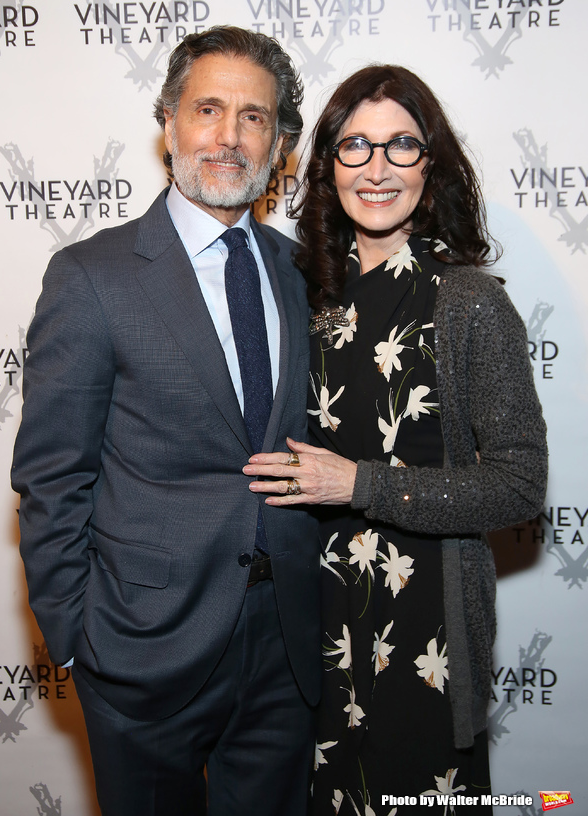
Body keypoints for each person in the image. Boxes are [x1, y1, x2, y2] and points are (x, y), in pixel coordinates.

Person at [11, 26, 320, 816]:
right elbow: (52, 478)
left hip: (285, 648)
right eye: (208, 109)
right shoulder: (92, 277)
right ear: (170, 124)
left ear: (280, 142)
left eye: (254, 117)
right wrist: (78, 642)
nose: (228, 135)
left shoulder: (302, 273)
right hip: (142, 650)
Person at [243, 65, 548, 814]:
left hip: (425, 641)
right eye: (355, 147)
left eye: (401, 146)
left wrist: (359, 485)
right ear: (327, 167)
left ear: (431, 163)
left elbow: (519, 483)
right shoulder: (300, 297)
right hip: (308, 637)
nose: (377, 169)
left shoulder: (470, 302)